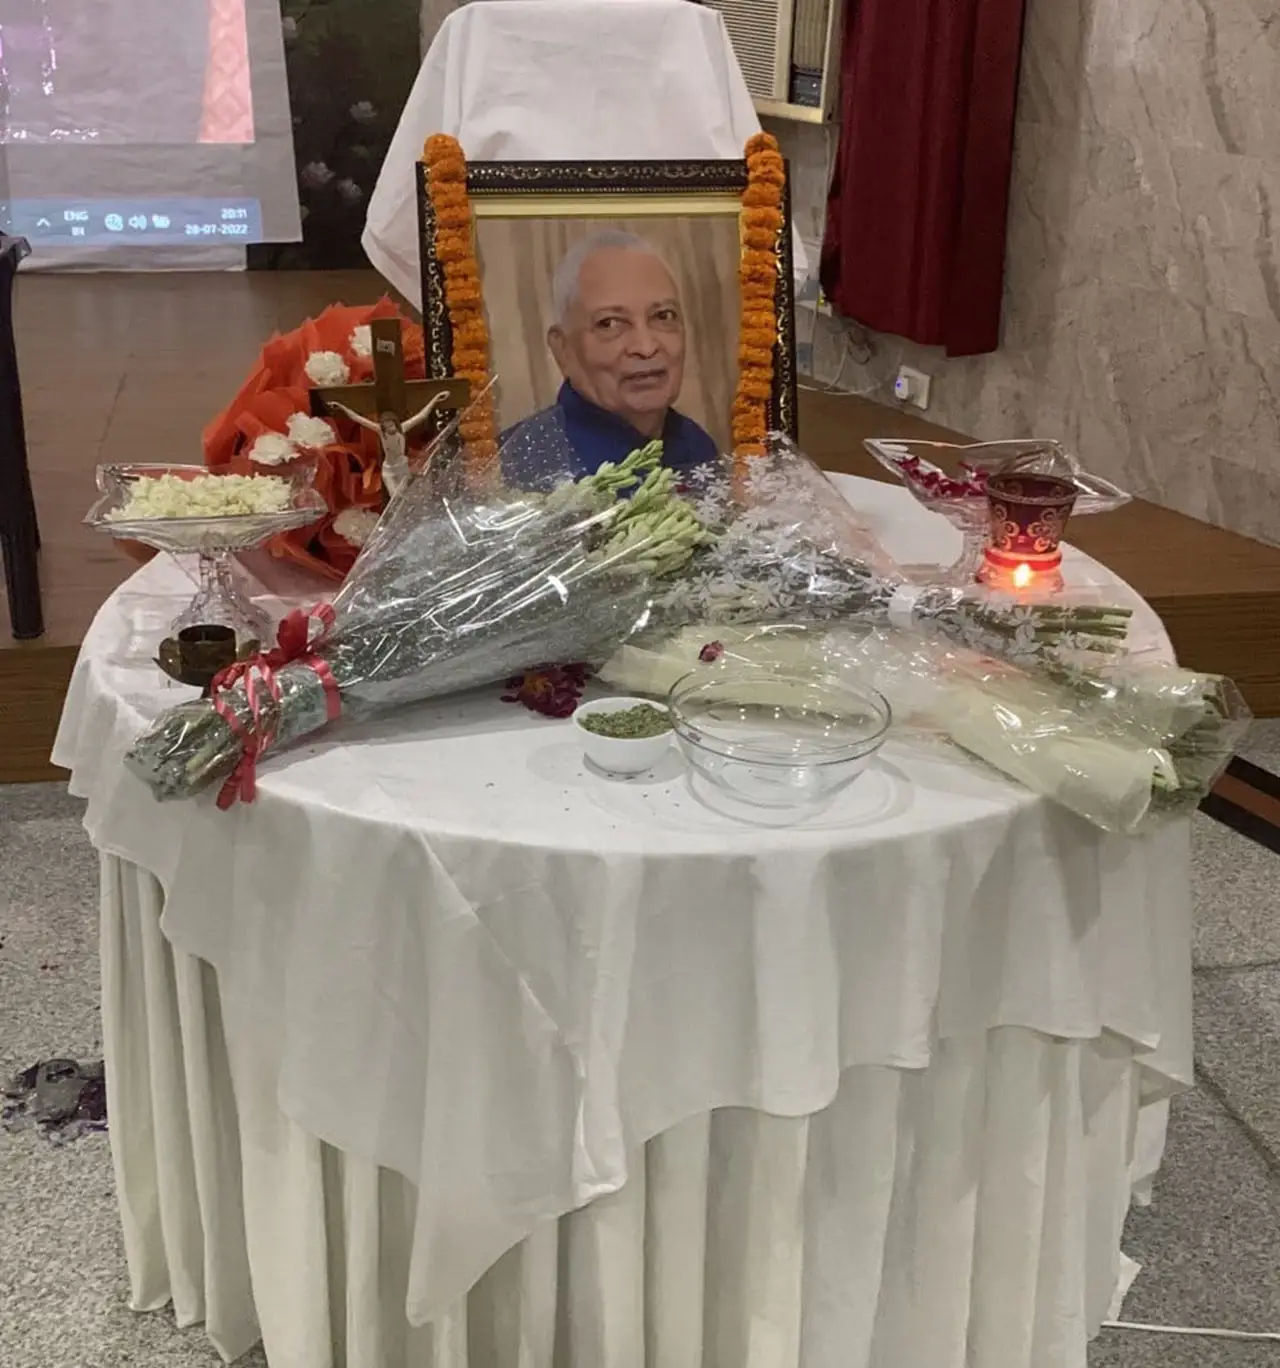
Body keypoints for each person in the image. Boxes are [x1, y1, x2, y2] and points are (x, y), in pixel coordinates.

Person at [501, 230, 720, 487]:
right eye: (610, 323)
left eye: (663, 316)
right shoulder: (514, 470)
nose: (646, 347)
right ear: (563, 349)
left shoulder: (697, 448)